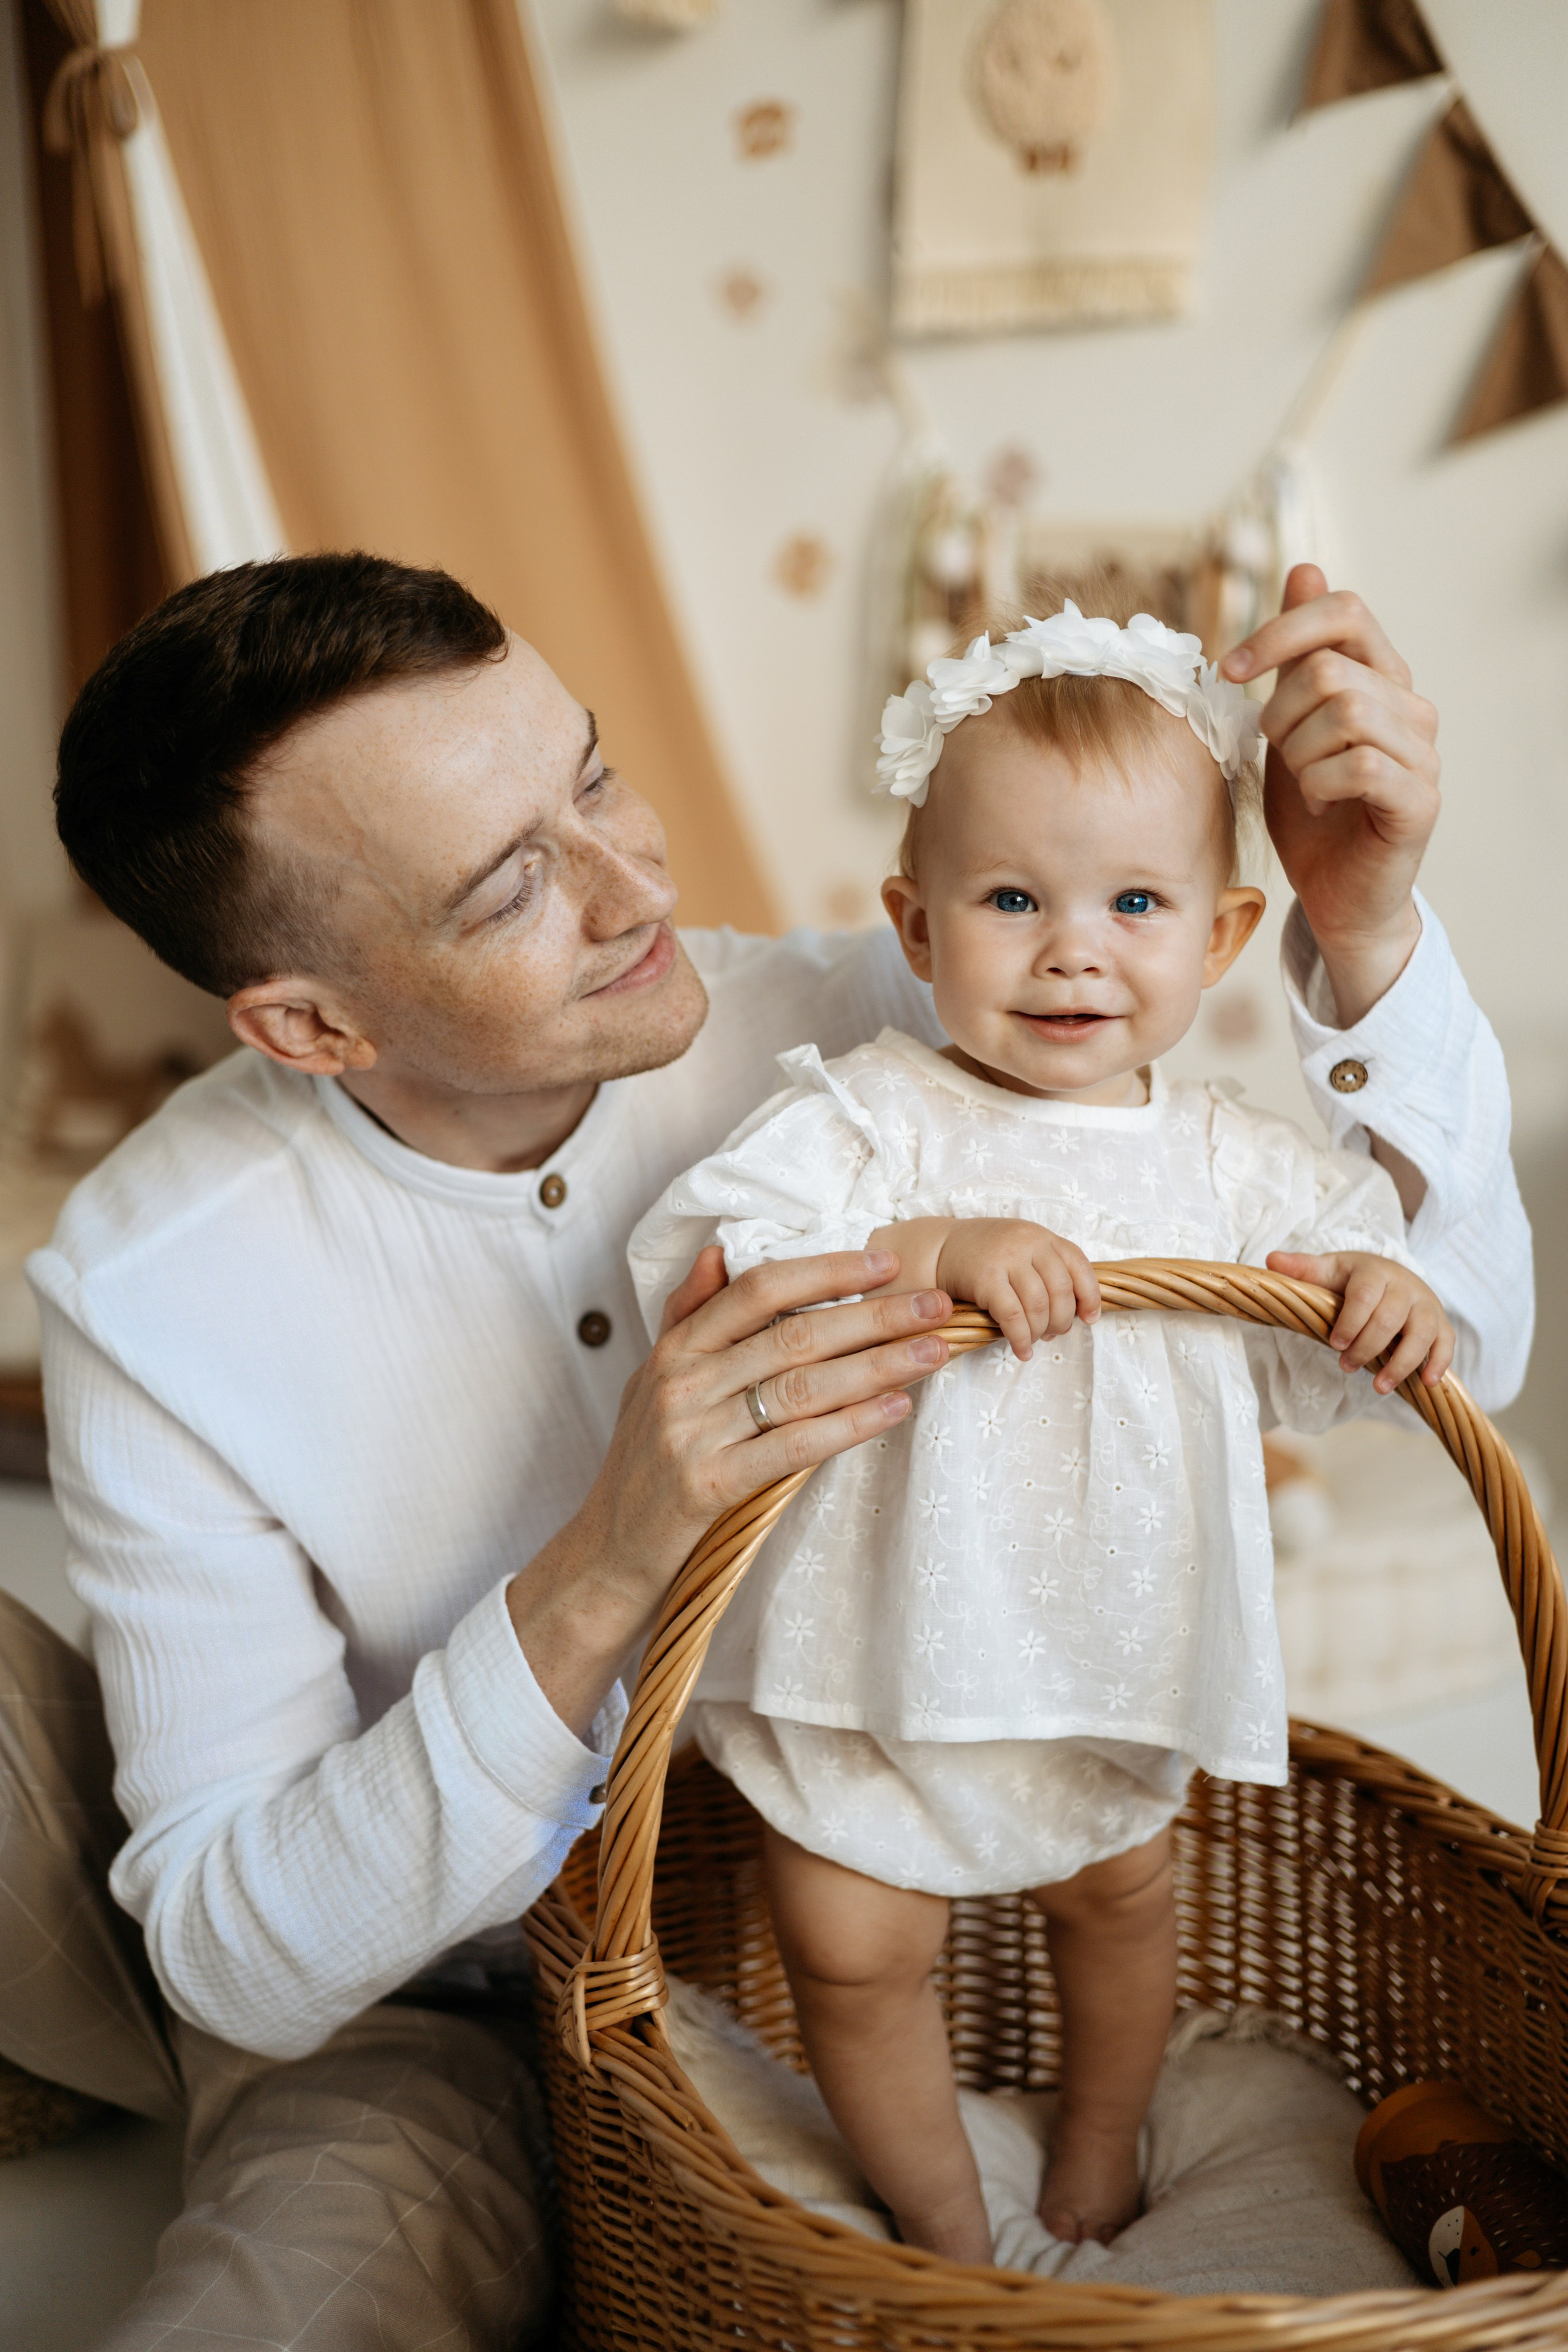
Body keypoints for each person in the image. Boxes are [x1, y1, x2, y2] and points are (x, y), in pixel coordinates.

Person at [0, 549, 1527, 2349]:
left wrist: (1367, 927)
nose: (634, 878)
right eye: (513, 887)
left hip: (870, 1862)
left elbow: (1454, 1343)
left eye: (589, 774)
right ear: (310, 1025)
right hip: (453, 1991)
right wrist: (606, 1560)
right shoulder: (149, 1289)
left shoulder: (910, 1010)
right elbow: (248, 1964)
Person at [628, 587, 1457, 2266]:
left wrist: (1387, 1295)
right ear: (915, 926)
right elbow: (714, 1262)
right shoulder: (868, 1116)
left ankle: (1092, 2159)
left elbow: (1340, 1297)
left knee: (1122, 1900)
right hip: (868, 1642)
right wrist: (927, 1253)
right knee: (852, 1945)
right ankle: (944, 2229)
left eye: (1135, 902)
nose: (1075, 946)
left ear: (1222, 939)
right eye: (1012, 898)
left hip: (1113, 1631)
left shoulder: (1225, 1161)